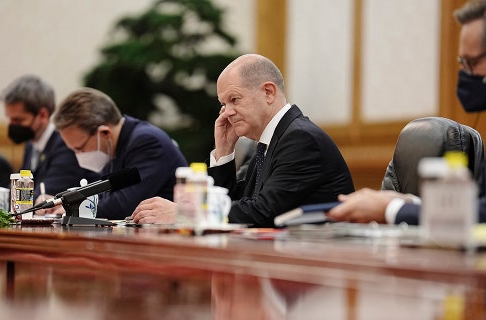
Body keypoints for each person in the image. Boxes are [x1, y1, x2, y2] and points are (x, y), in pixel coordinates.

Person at [328, 0, 486, 226]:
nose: (464, 74)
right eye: (461, 63)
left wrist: (391, 209)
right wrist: (407, 202)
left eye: (472, 63)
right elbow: (480, 203)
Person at [132, 53, 355, 227]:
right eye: (223, 103)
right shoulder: (268, 141)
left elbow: (262, 211)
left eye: (234, 99)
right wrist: (224, 152)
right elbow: (237, 205)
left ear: (268, 92)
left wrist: (184, 214)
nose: (226, 112)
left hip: (319, 267)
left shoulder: (300, 138)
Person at [53, 87, 188, 220]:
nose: (78, 155)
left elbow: (122, 205)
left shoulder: (148, 142)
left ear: (104, 133)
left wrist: (74, 208)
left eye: (80, 148)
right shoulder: (113, 148)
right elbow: (100, 196)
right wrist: (63, 201)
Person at [0, 75, 101, 205]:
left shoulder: (66, 144)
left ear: (42, 115)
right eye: (10, 118)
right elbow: (19, 188)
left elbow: (45, 196)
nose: (11, 125)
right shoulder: (31, 144)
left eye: (18, 120)